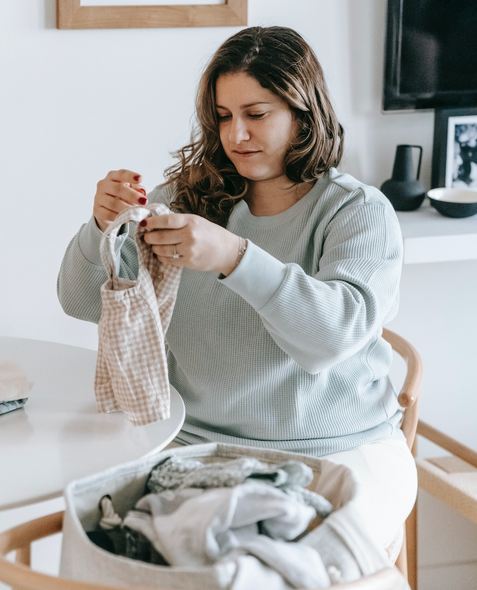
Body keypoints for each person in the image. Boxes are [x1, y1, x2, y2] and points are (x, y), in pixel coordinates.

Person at [57, 26, 417, 553]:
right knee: (99, 544)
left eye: (257, 114)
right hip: (194, 444)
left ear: (302, 110)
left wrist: (234, 257)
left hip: (338, 450)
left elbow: (333, 337)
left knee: (266, 566)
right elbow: (83, 301)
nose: (236, 136)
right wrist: (97, 226)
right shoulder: (183, 200)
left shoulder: (356, 212)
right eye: (224, 117)